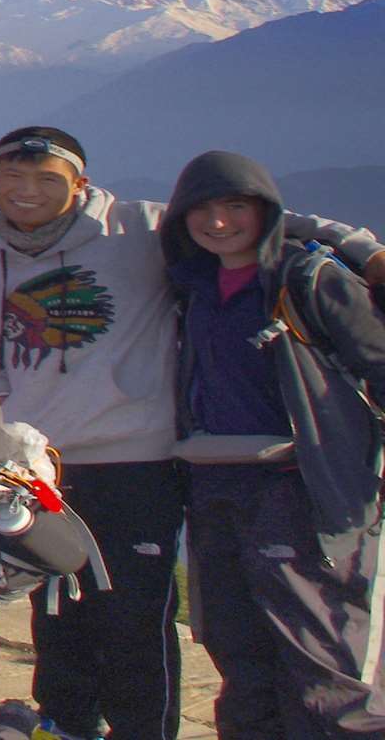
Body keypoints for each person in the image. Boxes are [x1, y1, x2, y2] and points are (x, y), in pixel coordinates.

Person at [0, 127, 385, 740]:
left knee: (143, 621)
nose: (27, 193)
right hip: (46, 469)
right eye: (13, 178)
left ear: (80, 183)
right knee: (64, 620)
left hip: (151, 461)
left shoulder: (139, 229)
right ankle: (65, 726)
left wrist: (363, 250)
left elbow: (261, 217)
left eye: (47, 179)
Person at [162, 150, 385, 737]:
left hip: (301, 490)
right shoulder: (191, 283)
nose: (217, 223)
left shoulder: (307, 278)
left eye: (235, 206)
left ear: (265, 210)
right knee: (240, 653)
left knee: (321, 658)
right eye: (202, 210)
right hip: (214, 488)